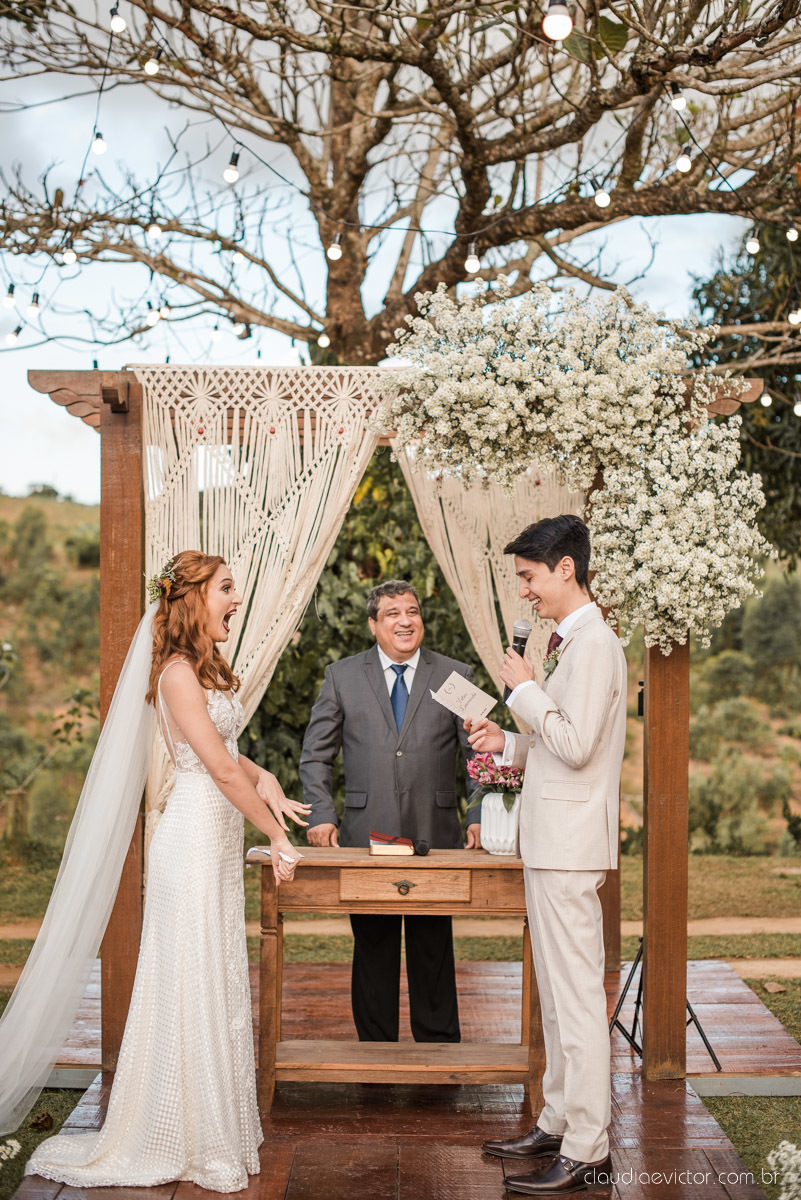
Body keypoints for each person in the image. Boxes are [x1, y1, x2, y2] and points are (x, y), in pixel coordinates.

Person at [1, 551, 307, 1192]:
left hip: (213, 838)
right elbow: (218, 770)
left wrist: (268, 776)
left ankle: (211, 1125)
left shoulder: (201, 669)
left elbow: (230, 758)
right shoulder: (173, 673)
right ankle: (177, 1132)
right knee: (187, 977)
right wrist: (277, 835)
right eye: (227, 589)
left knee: (213, 975)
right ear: (193, 598)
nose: (237, 600)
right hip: (192, 840)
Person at [467, 515, 626, 1196]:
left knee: (578, 1000)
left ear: (566, 569)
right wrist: (505, 741)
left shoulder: (594, 647)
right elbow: (555, 740)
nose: (525, 592)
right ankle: (558, 1121)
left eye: (529, 577)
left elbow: (578, 746)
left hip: (568, 848)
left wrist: (525, 689)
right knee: (557, 1001)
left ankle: (589, 1147)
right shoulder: (572, 644)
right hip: (550, 845)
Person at [299, 579, 480, 1043]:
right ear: (373, 624)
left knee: (432, 948)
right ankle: (374, 1054)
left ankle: (438, 1053)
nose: (406, 620)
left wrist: (479, 813)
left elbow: (479, 754)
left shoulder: (455, 675)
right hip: (366, 834)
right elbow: (316, 755)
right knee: (373, 947)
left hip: (435, 834)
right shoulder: (341, 676)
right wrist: (321, 813)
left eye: (413, 611)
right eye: (394, 613)